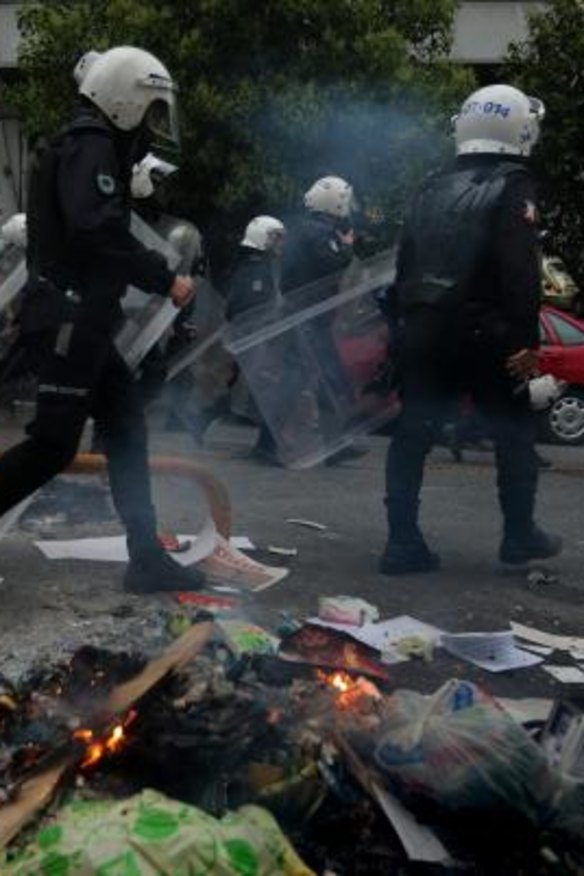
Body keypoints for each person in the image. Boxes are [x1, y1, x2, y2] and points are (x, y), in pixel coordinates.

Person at [0, 46, 205, 593]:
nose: (154, 121)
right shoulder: (90, 145)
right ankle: (144, 554)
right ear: (124, 97)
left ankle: (145, 554)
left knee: (125, 425)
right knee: (53, 444)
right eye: (151, 106)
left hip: (82, 317)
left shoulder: (91, 144)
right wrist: (163, 277)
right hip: (70, 315)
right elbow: (95, 230)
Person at [380, 84, 562, 575]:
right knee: (514, 431)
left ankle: (401, 543)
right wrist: (526, 342)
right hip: (485, 333)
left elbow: (404, 265)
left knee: (412, 434)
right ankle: (519, 535)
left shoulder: (429, 184)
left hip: (423, 329)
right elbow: (519, 271)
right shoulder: (513, 184)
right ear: (518, 127)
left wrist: (402, 330)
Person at [282, 176, 366, 464]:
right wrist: (346, 246)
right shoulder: (320, 232)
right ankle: (333, 443)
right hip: (310, 317)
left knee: (314, 379)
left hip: (305, 316)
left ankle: (335, 442)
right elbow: (331, 262)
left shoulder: (306, 228)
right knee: (324, 379)